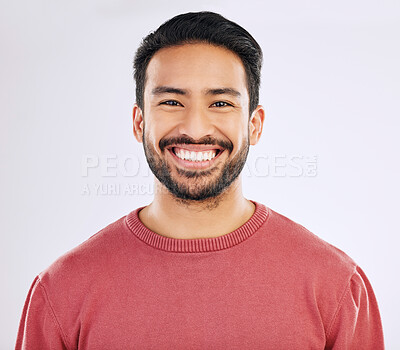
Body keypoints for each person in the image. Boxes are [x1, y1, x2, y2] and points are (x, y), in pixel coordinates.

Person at [16, 11, 384, 349]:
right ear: (138, 123)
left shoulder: (337, 288)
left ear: (254, 125)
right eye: (172, 102)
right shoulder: (61, 292)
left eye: (220, 103)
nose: (195, 129)